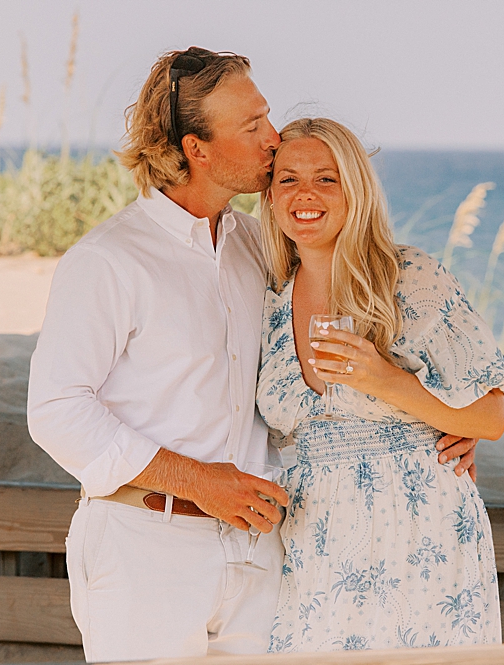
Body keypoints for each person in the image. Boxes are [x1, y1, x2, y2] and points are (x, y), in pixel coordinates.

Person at [27, 48, 477, 662]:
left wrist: (442, 420)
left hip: (260, 554)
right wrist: (199, 482)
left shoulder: (259, 251)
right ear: (197, 149)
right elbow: (56, 411)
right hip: (144, 550)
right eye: (252, 126)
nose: (273, 139)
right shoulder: (108, 260)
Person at [256, 118, 504, 651]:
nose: (306, 193)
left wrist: (388, 382)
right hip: (315, 534)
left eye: (326, 179)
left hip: (421, 526)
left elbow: (490, 418)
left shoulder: (409, 276)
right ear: (270, 195)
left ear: (356, 189)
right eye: (288, 179)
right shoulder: (268, 296)